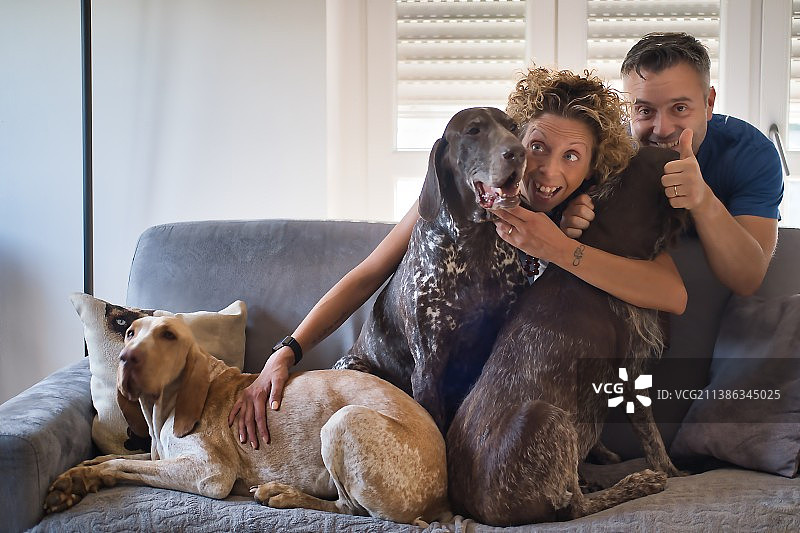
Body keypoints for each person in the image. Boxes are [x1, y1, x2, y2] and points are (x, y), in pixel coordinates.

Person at [229, 67, 688, 448]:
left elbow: (672, 294)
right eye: (537, 148)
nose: (549, 172)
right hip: (401, 384)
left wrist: (564, 250)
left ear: (591, 168)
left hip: (489, 406)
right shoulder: (458, 200)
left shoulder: (585, 214)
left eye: (573, 157)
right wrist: (286, 352)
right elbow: (370, 272)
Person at [561, 32, 784, 296]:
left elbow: (748, 279)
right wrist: (569, 219)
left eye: (679, 108)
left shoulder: (750, 154)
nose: (662, 129)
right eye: (644, 110)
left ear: (708, 103)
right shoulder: (603, 151)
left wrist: (703, 200)